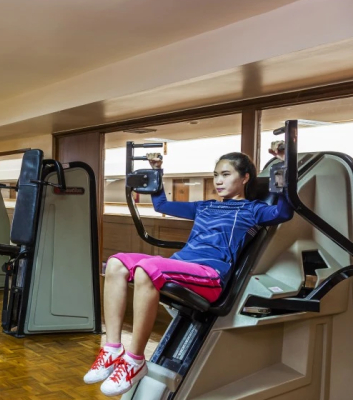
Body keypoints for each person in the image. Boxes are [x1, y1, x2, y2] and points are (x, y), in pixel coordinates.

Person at [85, 148, 294, 396]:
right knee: (116, 263)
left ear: (245, 177)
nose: (218, 181)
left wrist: (285, 166)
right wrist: (156, 170)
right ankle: (112, 349)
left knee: (147, 269)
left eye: (226, 174)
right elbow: (161, 204)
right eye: (216, 175)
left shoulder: (253, 209)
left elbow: (283, 212)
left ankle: (135, 360)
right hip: (182, 266)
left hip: (210, 274)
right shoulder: (205, 206)